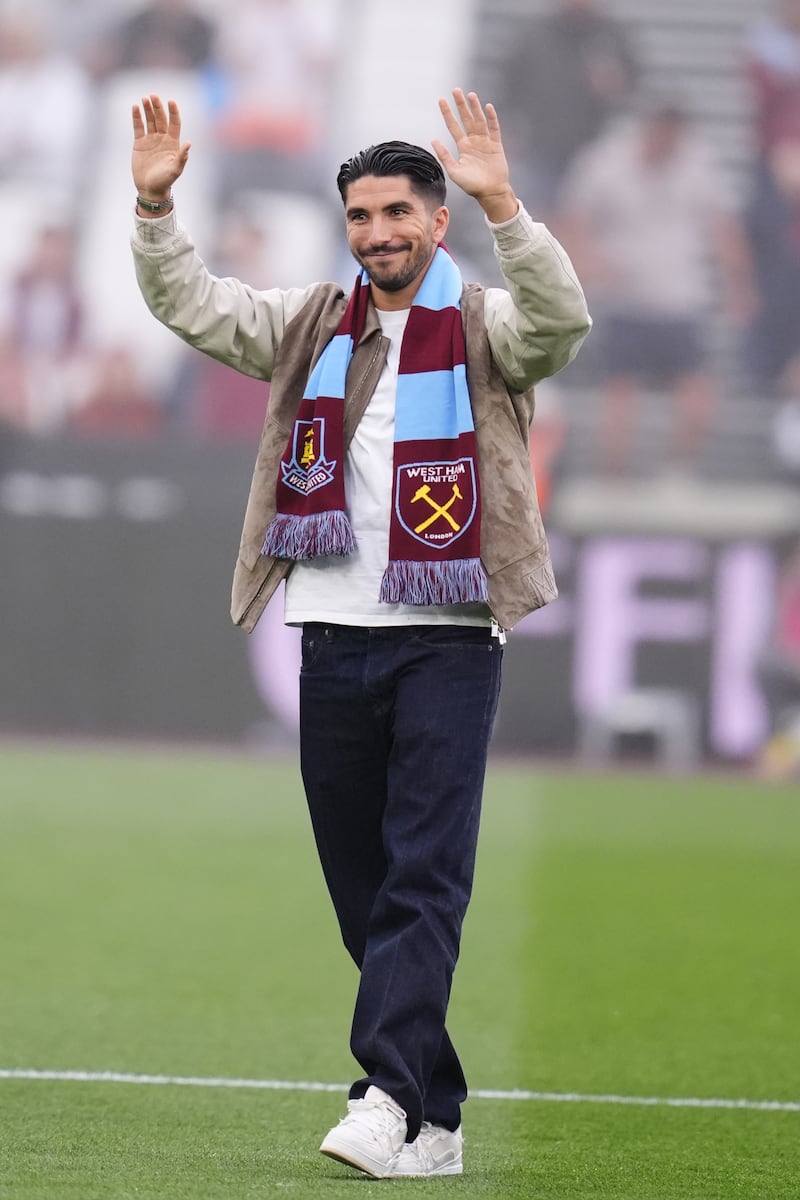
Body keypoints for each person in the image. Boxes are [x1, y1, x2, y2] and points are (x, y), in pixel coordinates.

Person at [130, 89, 590, 1179]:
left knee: (423, 878)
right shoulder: (309, 324)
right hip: (331, 636)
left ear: (435, 221)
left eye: (396, 213)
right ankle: (435, 1116)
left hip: (446, 636)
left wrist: (508, 208)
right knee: (365, 892)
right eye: (359, 216)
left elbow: (562, 323)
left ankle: (383, 1094)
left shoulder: (484, 325)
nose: (376, 233)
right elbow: (193, 305)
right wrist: (154, 211)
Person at [558, 99, 755, 475]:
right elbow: (574, 219)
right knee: (619, 397)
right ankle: (614, 478)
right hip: (625, 300)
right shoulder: (607, 161)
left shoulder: (698, 165)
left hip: (679, 301)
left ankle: (677, 473)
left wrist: (739, 284)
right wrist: (585, 265)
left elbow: (723, 228)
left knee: (697, 397)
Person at [490, 0, 639, 215]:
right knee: (534, 221)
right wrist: (506, 133)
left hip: (595, 152)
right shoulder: (534, 36)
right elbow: (507, 90)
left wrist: (614, 85)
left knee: (586, 222)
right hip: (540, 148)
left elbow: (633, 90)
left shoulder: (610, 37)